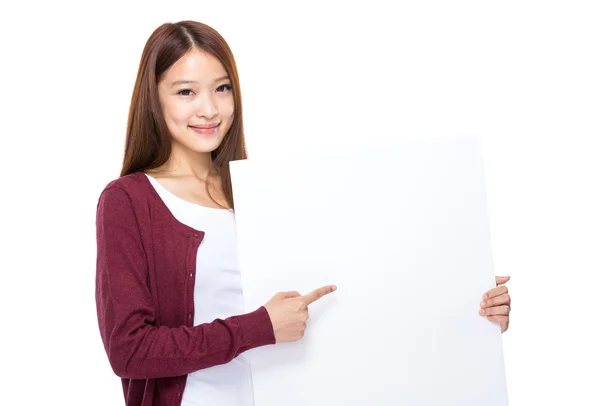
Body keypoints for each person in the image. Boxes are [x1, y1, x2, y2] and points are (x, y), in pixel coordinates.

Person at [95, 20, 511, 406]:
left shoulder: (267, 194)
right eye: (186, 91)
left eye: (222, 88)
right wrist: (258, 327)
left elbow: (343, 294)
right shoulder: (129, 200)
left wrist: (459, 297)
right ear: (154, 97)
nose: (209, 109)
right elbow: (129, 349)